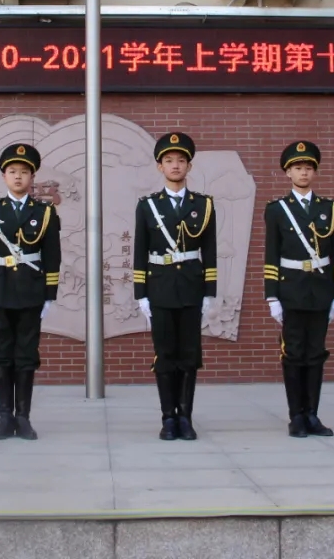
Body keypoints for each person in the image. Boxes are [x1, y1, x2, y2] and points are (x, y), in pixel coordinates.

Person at [132, 132, 217, 441]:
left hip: (192, 287)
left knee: (190, 355)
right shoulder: (148, 206)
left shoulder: (203, 205)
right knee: (165, 354)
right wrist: (141, 294)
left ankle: (186, 417)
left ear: (189, 166)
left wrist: (209, 290)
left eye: (181, 160)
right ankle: (168, 417)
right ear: (160, 167)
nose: (175, 165)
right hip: (160, 288)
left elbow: (210, 249)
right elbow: (140, 251)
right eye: (169, 161)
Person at [0, 143, 62, 441]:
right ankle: (4, 416)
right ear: (4, 176)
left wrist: (49, 294)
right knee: (2, 354)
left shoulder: (45, 212)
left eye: (24, 172)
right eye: (12, 171)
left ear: (32, 177)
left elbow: (53, 255)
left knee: (26, 354)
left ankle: (23, 417)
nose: (18, 177)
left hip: (30, 291)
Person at [263, 141, 334, 438]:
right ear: (288, 173)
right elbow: (271, 254)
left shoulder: (330, 208)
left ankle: (312, 414)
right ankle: (296, 415)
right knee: (293, 354)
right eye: (298, 168)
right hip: (291, 291)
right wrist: (272, 296)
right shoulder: (277, 210)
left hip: (321, 290)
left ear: (315, 172)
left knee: (315, 354)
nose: (303, 172)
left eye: (309, 168)